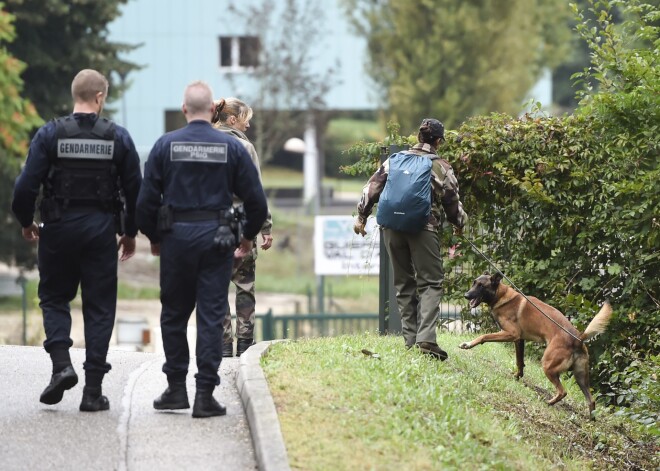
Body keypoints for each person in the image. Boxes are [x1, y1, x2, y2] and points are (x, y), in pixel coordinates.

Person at [11, 69, 142, 411]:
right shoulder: (119, 137)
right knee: (99, 308)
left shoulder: (50, 134)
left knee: (54, 298)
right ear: (100, 97)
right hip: (100, 231)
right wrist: (129, 232)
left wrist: (27, 222)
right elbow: (134, 190)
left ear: (76, 95)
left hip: (57, 229)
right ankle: (93, 391)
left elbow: (25, 186)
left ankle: (61, 366)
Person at [136, 81, 268, 418]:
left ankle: (176, 389)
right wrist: (248, 236)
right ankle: (205, 395)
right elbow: (255, 199)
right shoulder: (234, 148)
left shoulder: (165, 145)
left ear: (184, 110)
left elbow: (145, 201)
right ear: (212, 111)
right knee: (211, 316)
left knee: (174, 315)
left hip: (176, 240)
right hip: (217, 239)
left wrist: (154, 236)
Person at [353, 118, 467, 361]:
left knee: (404, 283)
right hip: (423, 229)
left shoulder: (394, 161)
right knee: (431, 282)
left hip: (391, 228)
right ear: (438, 141)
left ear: (418, 137)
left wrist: (361, 217)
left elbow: (370, 189)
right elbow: (452, 202)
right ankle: (426, 339)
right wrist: (459, 225)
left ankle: (410, 339)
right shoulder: (441, 166)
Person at [211, 97, 273, 358]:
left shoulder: (207, 143)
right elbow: (255, 191)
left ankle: (223, 345)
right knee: (245, 286)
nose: (248, 125)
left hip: (212, 226)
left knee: (216, 286)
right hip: (242, 226)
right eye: (246, 119)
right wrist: (265, 227)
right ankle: (245, 344)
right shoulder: (244, 147)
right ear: (233, 119)